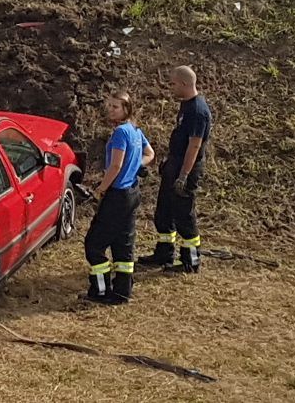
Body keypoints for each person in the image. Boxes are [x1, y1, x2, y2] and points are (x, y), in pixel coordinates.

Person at [139, 65, 213, 273]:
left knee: (184, 215)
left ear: (184, 83)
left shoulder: (198, 111)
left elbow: (195, 145)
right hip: (175, 164)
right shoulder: (186, 105)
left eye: (173, 83)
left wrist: (183, 176)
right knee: (164, 212)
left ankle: (191, 261)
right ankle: (164, 255)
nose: (170, 87)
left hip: (185, 168)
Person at [84, 91, 154, 304]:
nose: (110, 110)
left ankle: (101, 290)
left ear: (127, 109)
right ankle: (123, 291)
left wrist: (101, 189)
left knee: (94, 245)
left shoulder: (120, 134)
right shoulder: (135, 130)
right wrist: (136, 167)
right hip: (131, 194)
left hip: (116, 195)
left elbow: (115, 165)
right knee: (123, 243)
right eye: (110, 106)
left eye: (115, 107)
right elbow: (149, 153)